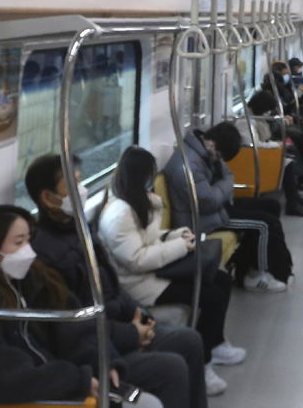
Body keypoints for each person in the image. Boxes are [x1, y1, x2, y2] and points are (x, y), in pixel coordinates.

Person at [23, 154, 212, 403]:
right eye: (72, 186)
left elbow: (111, 286)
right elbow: (74, 326)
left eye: (80, 181)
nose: (82, 190)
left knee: (189, 340)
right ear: (48, 198)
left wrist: (141, 316)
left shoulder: (80, 231)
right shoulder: (46, 255)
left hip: (114, 326)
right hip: (96, 349)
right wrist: (131, 334)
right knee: (171, 368)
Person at [0, 205, 114, 404]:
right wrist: (76, 379)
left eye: (28, 241)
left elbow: (76, 330)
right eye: (19, 242)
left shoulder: (32, 281)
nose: (29, 252)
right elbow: (3, 378)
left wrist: (103, 364)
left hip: (73, 382)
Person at [99, 147, 246, 393]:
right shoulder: (119, 214)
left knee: (219, 279)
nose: (152, 181)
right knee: (210, 294)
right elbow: (136, 259)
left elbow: (148, 237)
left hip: (152, 272)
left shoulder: (136, 202)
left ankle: (216, 342)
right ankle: (205, 361)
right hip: (138, 283)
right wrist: (179, 246)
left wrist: (175, 235)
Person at [164, 122, 293, 290]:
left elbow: (227, 176)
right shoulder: (188, 166)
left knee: (271, 206)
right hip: (199, 220)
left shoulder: (204, 152)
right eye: (219, 156)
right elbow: (208, 201)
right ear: (212, 144)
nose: (219, 160)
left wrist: (222, 186)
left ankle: (265, 267)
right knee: (264, 224)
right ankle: (259, 275)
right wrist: (225, 185)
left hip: (216, 208)